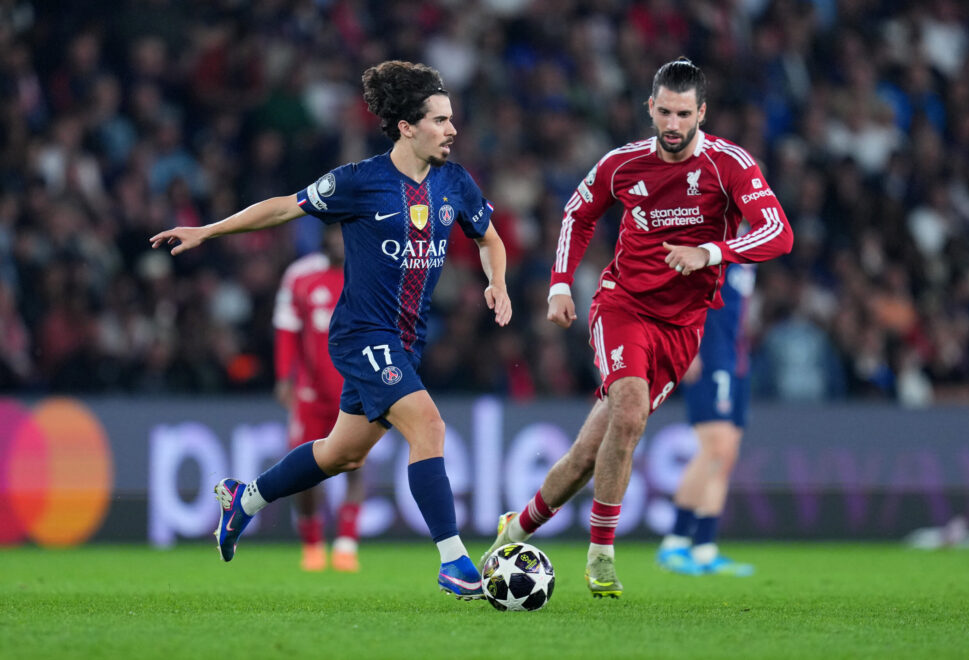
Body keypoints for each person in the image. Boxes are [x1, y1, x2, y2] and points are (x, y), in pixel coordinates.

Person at [150, 60, 511, 600]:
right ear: (407, 127)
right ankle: (454, 562)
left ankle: (244, 499)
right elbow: (283, 208)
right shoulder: (360, 181)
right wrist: (209, 230)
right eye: (440, 120)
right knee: (428, 427)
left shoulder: (455, 182)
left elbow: (489, 239)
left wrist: (497, 282)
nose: (452, 129)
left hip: (406, 342)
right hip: (362, 336)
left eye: (451, 119)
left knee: (343, 454)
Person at [480, 58, 792, 598]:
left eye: (684, 114)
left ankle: (514, 530)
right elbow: (578, 214)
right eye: (664, 112)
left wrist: (710, 251)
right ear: (650, 107)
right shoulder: (622, 163)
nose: (673, 124)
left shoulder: (729, 164)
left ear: (702, 113)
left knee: (587, 455)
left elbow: (779, 233)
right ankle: (601, 556)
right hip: (622, 306)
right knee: (629, 410)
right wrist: (559, 284)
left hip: (683, 327)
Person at [272, 225, 365, 572]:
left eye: (345, 234)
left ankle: (346, 544)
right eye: (334, 235)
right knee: (304, 473)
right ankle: (312, 544)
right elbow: (286, 329)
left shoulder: (366, 269)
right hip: (310, 394)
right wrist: (284, 376)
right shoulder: (300, 275)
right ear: (324, 237)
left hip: (355, 388)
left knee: (356, 464)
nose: (340, 241)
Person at [657, 261, 756, 577]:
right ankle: (674, 542)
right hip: (709, 355)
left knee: (726, 456)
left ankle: (704, 547)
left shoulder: (748, 252)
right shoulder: (710, 242)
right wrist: (686, 347)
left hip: (737, 360)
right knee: (714, 448)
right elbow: (679, 290)